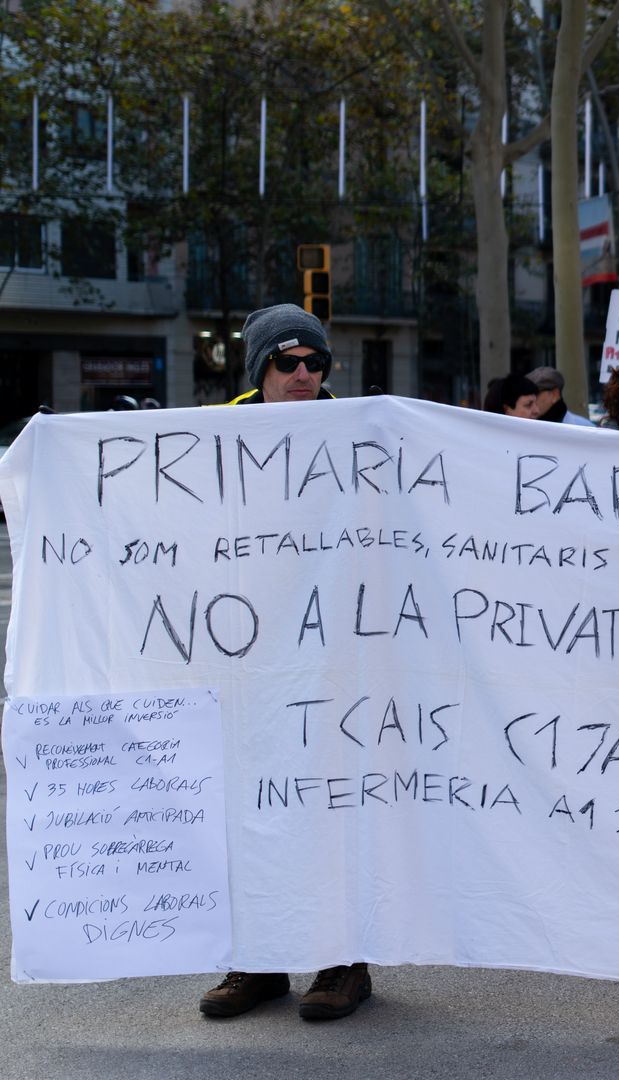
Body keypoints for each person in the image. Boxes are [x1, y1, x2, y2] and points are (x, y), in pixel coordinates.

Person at [200, 304, 369, 1022]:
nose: (303, 374)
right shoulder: (214, 435)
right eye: (287, 361)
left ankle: (344, 960)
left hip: (339, 655)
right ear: (259, 367)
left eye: (315, 362)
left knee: (334, 807)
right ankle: (258, 961)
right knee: (245, 810)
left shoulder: (362, 432)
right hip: (242, 657)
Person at [526, 366, 596, 425]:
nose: (528, 400)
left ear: (554, 395)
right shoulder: (524, 426)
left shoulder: (585, 428)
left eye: (535, 394)